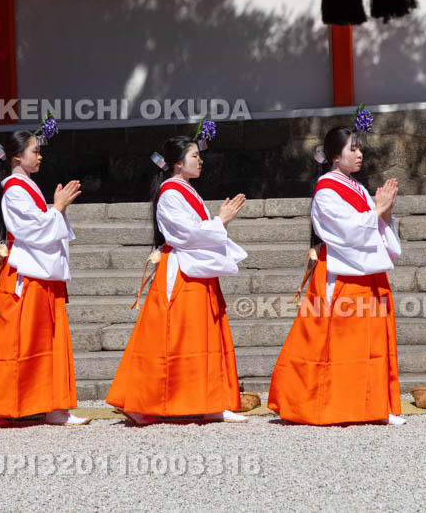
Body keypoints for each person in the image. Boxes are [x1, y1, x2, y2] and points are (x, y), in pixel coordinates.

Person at [267, 116, 405, 426]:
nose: (359, 154)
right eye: (352, 149)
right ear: (334, 156)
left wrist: (384, 213)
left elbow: (371, 225)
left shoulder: (355, 187)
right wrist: (377, 212)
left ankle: (373, 405)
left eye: (360, 149)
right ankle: (327, 403)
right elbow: (343, 230)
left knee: (369, 342)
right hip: (342, 272)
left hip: (365, 270)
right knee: (340, 343)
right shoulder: (327, 190)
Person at [107, 124, 249, 425]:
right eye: (194, 156)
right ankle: (141, 402)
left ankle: (212, 402)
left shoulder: (183, 190)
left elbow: (194, 232)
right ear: (177, 163)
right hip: (183, 273)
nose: (200, 161)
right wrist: (219, 221)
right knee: (173, 338)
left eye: (199, 156)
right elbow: (184, 234)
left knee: (202, 336)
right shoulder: (172, 193)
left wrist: (217, 223)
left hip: (194, 270)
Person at [0, 118, 90, 426]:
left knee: (43, 339)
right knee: (19, 341)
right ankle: (4, 403)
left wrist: (55, 209)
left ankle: (53, 406)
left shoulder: (24, 187)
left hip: (39, 271)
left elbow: (39, 226)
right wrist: (57, 209)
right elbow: (31, 229)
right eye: (34, 151)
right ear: (17, 157)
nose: (40, 156)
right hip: (28, 273)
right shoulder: (15, 190)